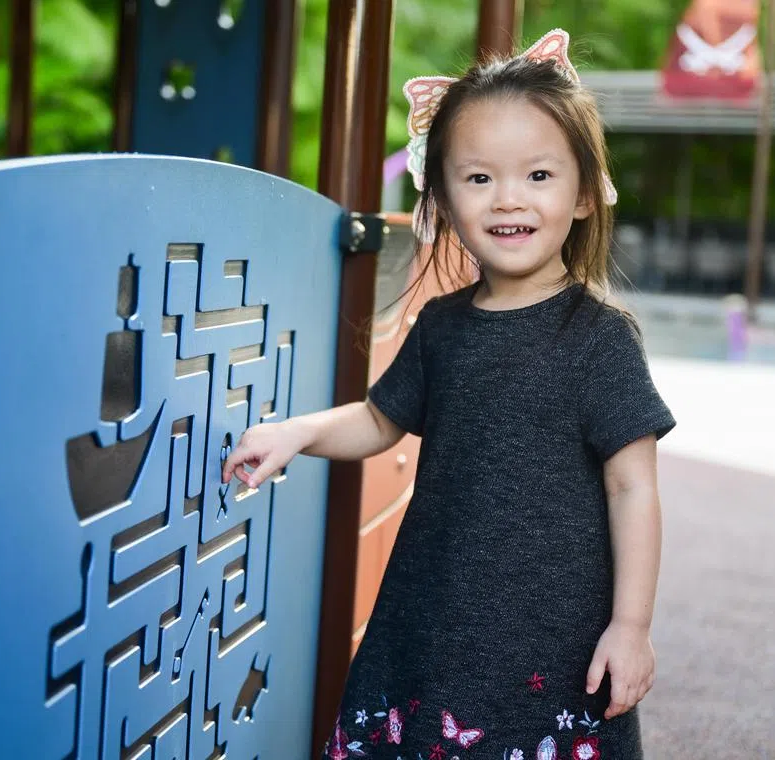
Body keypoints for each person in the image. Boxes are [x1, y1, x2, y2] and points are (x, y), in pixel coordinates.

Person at [222, 28, 675, 760]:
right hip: (431, 621)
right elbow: (379, 419)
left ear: (586, 193)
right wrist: (296, 433)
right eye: (478, 178)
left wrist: (631, 626)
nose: (508, 200)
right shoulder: (443, 326)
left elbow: (633, 489)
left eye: (538, 176)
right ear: (441, 196)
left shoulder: (598, 339)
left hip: (550, 643)